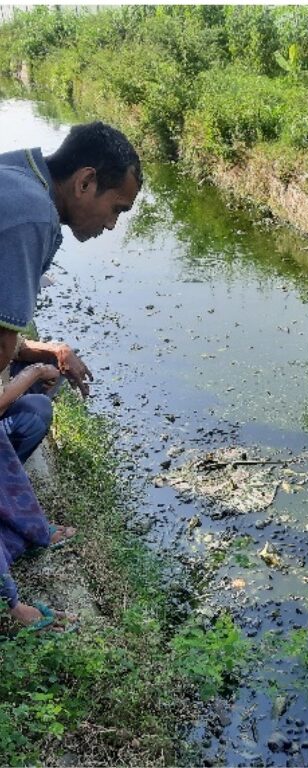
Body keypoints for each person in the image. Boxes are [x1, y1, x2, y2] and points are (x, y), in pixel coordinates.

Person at [0, 121, 141, 631]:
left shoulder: (17, 169)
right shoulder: (33, 218)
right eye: (116, 209)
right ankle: (6, 606)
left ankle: (22, 525)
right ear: (85, 182)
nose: (111, 225)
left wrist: (46, 352)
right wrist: (33, 368)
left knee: (36, 408)